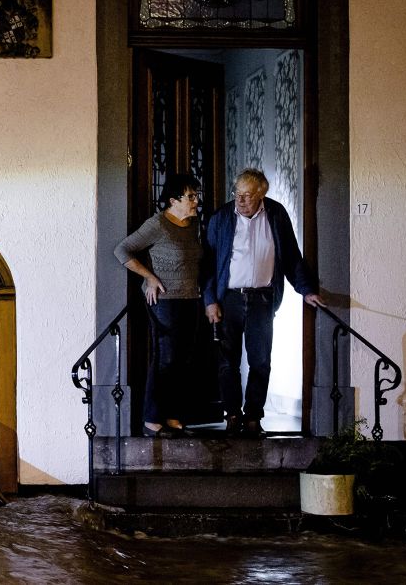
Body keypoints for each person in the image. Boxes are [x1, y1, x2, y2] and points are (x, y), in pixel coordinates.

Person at [202, 169, 324, 437]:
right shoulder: (221, 218)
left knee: (260, 361)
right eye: (237, 193)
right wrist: (210, 300)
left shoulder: (276, 215)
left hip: (262, 299)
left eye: (247, 195)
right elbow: (208, 264)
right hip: (229, 298)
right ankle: (233, 415)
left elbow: (291, 256)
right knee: (227, 362)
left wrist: (306, 290)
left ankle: (254, 416)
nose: (240, 200)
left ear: (262, 195)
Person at [114, 174, 204, 437]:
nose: (195, 201)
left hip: (190, 299)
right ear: (174, 200)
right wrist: (150, 277)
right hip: (164, 301)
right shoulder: (158, 224)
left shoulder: (193, 224)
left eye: (196, 195)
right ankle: (152, 418)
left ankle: (173, 414)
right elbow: (122, 250)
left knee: (183, 360)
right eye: (190, 196)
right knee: (165, 358)